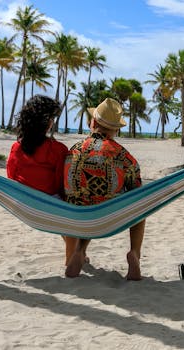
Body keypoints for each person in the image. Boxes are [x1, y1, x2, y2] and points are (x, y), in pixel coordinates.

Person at [64, 97, 145, 280]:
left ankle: (79, 250)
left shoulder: (73, 151)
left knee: (88, 202)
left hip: (78, 216)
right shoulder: (124, 157)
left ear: (93, 122)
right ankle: (134, 253)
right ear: (116, 129)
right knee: (141, 206)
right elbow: (137, 192)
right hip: (110, 217)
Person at [6, 95, 72, 263]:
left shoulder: (16, 147)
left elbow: (11, 177)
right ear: (48, 122)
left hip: (23, 202)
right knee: (70, 218)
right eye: (52, 118)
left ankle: (76, 253)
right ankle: (72, 256)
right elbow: (60, 184)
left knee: (64, 215)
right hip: (50, 203)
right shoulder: (58, 150)